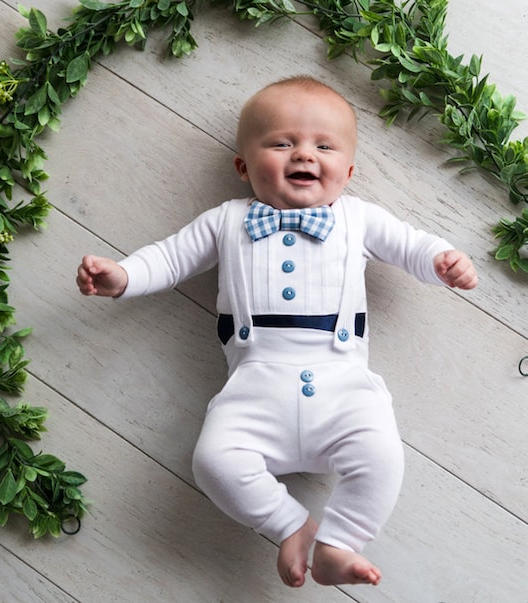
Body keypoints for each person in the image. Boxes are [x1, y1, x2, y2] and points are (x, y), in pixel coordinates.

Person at [76, 76, 478, 588]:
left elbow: (412, 244)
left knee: (382, 457)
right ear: (243, 167)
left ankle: (340, 543)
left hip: (343, 387)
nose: (303, 155)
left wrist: (442, 260)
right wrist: (124, 277)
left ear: (348, 171)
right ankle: (291, 525)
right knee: (213, 462)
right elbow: (171, 257)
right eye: (283, 143)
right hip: (254, 388)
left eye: (323, 146)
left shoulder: (358, 219)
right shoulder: (226, 220)